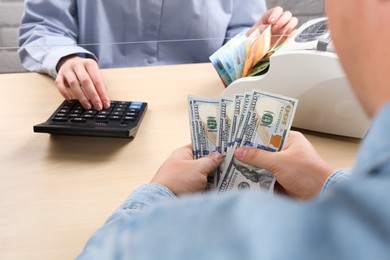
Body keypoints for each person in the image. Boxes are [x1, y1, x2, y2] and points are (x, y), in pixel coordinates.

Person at [76, 0, 390, 258]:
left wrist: (160, 192)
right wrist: (324, 181)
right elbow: (42, 26)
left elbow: (104, 252)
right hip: (101, 95)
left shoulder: (235, 238)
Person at [18, 1, 297, 111]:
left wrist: (255, 40)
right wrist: (67, 58)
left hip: (196, 110)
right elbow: (42, 26)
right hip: (99, 105)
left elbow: (237, 34)